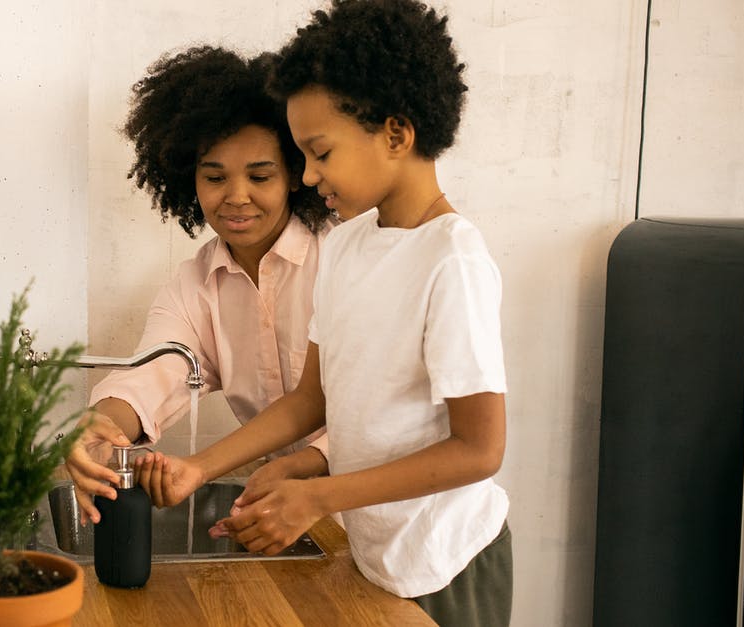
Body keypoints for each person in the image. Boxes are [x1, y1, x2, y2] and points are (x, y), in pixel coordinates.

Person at [135, 2, 512, 625]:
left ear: (396, 134)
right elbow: (312, 401)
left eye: (319, 152)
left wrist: (317, 496)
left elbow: (479, 450)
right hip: (377, 554)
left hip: (451, 562)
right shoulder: (347, 247)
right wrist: (198, 468)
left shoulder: (454, 260)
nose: (306, 175)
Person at [65, 45, 337, 526]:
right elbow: (154, 372)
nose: (236, 196)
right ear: (188, 179)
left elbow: (387, 408)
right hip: (293, 520)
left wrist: (304, 463)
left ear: (296, 175)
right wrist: (101, 424)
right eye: (214, 176)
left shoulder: (339, 260)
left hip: (412, 529)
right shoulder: (197, 286)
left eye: (260, 175)